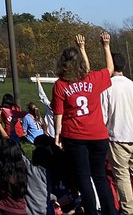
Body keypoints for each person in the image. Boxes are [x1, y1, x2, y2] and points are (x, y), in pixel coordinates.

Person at [52, 32, 117, 215]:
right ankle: (110, 211)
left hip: (75, 136)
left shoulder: (60, 85)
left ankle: (91, 212)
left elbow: (59, 113)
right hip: (98, 135)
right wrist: (106, 46)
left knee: (84, 179)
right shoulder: (93, 78)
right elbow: (110, 69)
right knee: (100, 177)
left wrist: (57, 134)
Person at [102, 54, 133, 215]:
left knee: (122, 175)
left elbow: (103, 115)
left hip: (118, 136)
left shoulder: (107, 86)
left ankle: (128, 210)